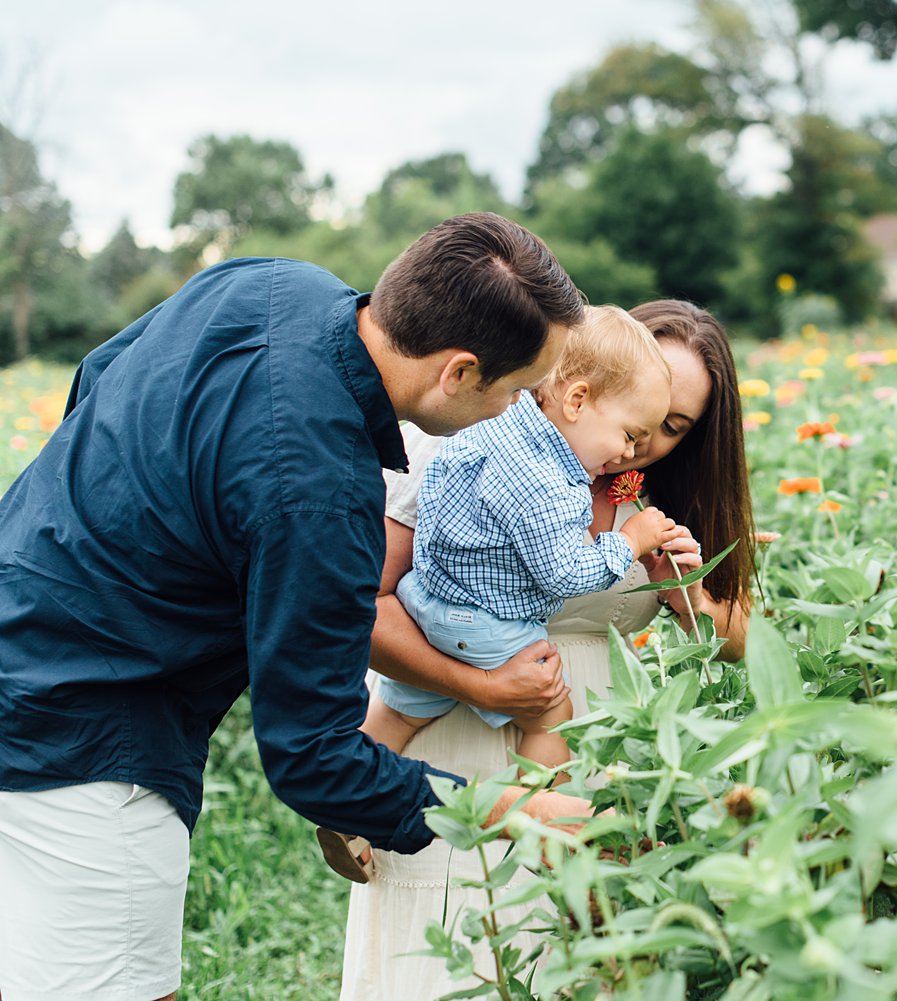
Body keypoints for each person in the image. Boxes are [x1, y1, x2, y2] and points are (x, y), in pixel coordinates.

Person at [0, 212, 588, 1001]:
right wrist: (513, 806)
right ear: (457, 372)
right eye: (516, 391)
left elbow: (100, 372)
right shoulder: (324, 498)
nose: (515, 414)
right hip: (86, 733)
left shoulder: (268, 279)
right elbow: (312, 757)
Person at [339, 300, 756, 1000]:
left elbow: (741, 639)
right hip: (455, 731)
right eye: (642, 412)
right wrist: (478, 685)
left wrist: (686, 591)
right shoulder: (483, 436)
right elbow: (367, 603)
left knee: (571, 960)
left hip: (593, 756)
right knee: (452, 951)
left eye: (675, 426)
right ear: (584, 378)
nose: (647, 440)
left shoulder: (654, 495)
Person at [318, 306, 690, 881]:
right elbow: (564, 576)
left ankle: (343, 804)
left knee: (398, 707)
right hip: (489, 621)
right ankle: (539, 816)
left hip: (429, 601)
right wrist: (631, 541)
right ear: (576, 400)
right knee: (549, 714)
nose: (628, 453)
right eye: (630, 434)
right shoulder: (553, 479)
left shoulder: (491, 426)